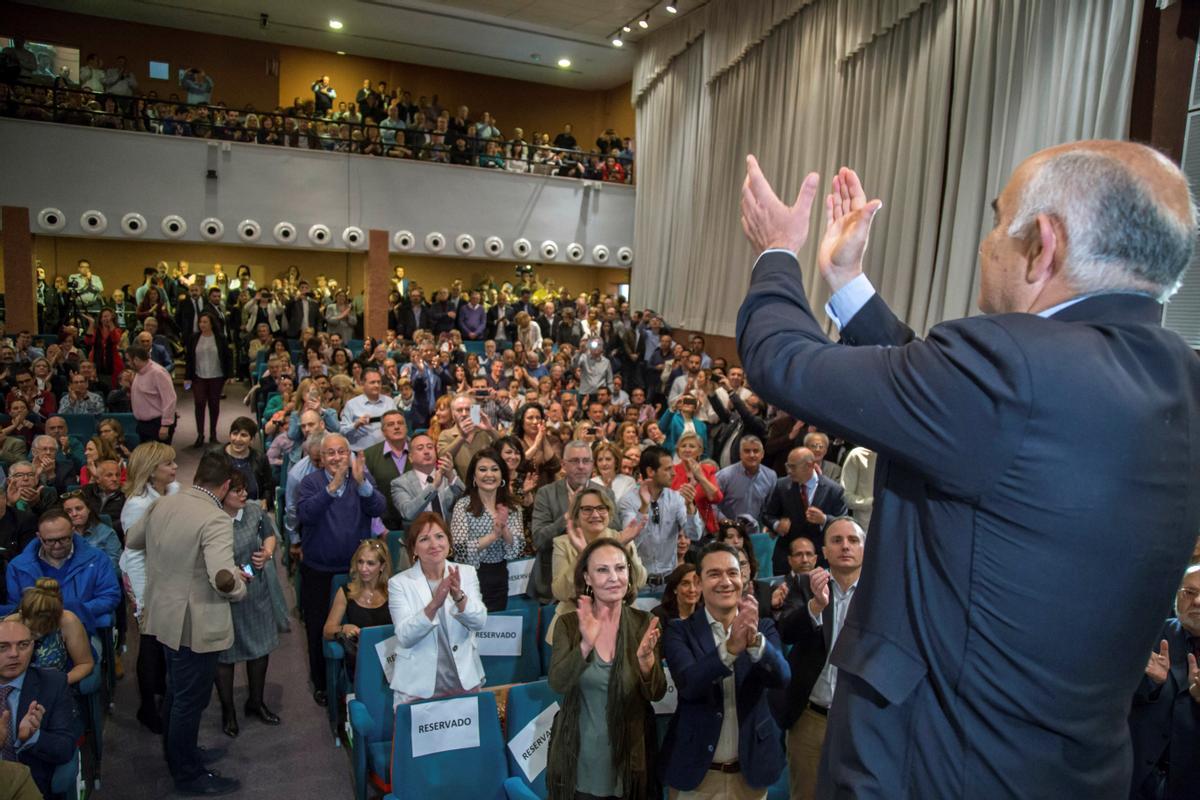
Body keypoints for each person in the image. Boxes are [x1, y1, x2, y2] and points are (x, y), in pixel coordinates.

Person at [736, 144, 1200, 797]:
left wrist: (776, 251)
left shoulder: (1011, 366)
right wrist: (848, 286)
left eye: (996, 221)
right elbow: (961, 416)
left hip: (930, 767)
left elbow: (779, 359)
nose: (986, 244)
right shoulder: (1179, 378)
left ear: (1043, 245)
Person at [125, 451, 247, 795]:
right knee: (189, 700)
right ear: (224, 486)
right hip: (194, 624)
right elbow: (221, 576)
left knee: (178, 694)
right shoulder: (216, 518)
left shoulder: (163, 504)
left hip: (162, 614)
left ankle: (182, 753)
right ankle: (187, 772)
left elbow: (133, 540)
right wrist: (239, 587)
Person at [660, 542, 790, 797]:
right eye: (714, 574)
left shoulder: (762, 626)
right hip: (697, 776)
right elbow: (689, 684)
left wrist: (754, 643)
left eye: (732, 573)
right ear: (698, 581)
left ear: (743, 577)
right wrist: (729, 649)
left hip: (750, 773)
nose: (725, 582)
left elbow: (782, 677)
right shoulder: (680, 631)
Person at [545, 537, 666, 800]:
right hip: (581, 760)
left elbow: (657, 693)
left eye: (620, 568)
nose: (614, 577)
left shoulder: (644, 622)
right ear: (587, 578)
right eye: (603, 570)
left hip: (631, 761)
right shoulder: (568, 625)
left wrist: (647, 664)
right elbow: (557, 683)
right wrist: (585, 646)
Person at [771, 518, 865, 800]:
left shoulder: (880, 594)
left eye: (853, 540)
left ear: (865, 549)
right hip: (812, 716)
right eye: (836, 541)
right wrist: (816, 605)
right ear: (824, 551)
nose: (845, 546)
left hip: (861, 719)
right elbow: (785, 631)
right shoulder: (803, 584)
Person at [295, 434, 385, 706]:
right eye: (330, 453)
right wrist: (331, 488)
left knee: (360, 629)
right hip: (319, 570)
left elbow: (379, 507)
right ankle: (322, 684)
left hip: (357, 572)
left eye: (341, 452)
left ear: (350, 455)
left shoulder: (361, 480)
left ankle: (361, 681)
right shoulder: (310, 483)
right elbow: (306, 515)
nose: (336, 458)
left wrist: (362, 485)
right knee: (319, 627)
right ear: (321, 459)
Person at [387, 512, 487, 707]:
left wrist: (458, 596)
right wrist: (434, 604)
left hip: (463, 678)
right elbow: (405, 636)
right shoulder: (399, 583)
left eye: (439, 536)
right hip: (417, 686)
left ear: (448, 542)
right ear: (414, 548)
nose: (434, 544)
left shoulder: (466, 573)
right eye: (424, 539)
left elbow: (479, 621)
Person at [214, 471, 283, 738]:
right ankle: (228, 709)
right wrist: (231, 572)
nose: (244, 495)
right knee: (225, 655)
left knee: (260, 649)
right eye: (237, 491)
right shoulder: (212, 519)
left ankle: (256, 702)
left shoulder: (253, 511)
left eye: (245, 490)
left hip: (255, 591)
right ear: (222, 492)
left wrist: (266, 552)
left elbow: (270, 536)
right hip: (225, 595)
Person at [118, 441, 179, 733]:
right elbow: (134, 555)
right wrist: (142, 601)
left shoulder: (175, 492)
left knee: (166, 639)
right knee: (151, 643)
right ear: (151, 470)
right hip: (145, 579)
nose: (175, 468)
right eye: (168, 464)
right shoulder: (137, 505)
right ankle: (148, 707)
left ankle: (165, 694)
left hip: (168, 576)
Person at [1127, 565, 1200, 799]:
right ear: (1175, 595)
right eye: (1189, 592)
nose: (1197, 601)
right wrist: (1152, 685)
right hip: (1135, 778)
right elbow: (1107, 700)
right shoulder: (1146, 634)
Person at [546, 487, 646, 643]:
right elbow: (560, 592)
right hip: (575, 627)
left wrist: (622, 547)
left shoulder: (622, 538)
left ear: (609, 512)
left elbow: (639, 581)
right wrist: (582, 555)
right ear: (576, 515)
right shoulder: (563, 543)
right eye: (587, 509)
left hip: (620, 625)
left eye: (601, 508)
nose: (595, 514)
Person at [1, 509, 120, 636]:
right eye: (50, 541)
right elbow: (15, 606)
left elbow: (110, 596)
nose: (57, 546)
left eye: (63, 539)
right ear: (39, 537)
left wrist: (74, 611)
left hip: (86, 628)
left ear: (73, 532)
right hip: (35, 632)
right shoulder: (18, 565)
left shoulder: (97, 558)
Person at [0, 618, 79, 798]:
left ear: (33, 646)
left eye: (23, 645)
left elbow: (65, 748)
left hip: (31, 787)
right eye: (2, 647)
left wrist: (33, 737)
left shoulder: (53, 684)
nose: (14, 654)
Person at [531, 440, 614, 602]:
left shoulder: (606, 494)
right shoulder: (546, 494)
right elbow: (539, 540)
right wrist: (568, 515)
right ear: (564, 464)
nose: (581, 466)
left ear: (592, 464)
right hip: (554, 587)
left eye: (586, 461)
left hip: (599, 586)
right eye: (575, 461)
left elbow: (614, 535)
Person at [617, 445, 703, 592]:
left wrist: (690, 507)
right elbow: (631, 541)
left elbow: (694, 534)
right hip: (639, 584)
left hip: (669, 584)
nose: (674, 473)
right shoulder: (628, 501)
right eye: (668, 469)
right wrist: (644, 508)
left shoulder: (676, 499)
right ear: (651, 471)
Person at [448, 450, 526, 611]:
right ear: (474, 477)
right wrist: (493, 536)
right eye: (482, 469)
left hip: (499, 577)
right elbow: (460, 549)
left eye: (495, 469)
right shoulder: (463, 505)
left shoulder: (512, 507)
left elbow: (518, 548)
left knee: (496, 629)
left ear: (502, 476)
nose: (489, 474)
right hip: (470, 577)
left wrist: (504, 530)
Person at [761, 447, 848, 575]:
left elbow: (844, 523)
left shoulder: (833, 490)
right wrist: (776, 525)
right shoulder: (781, 486)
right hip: (786, 555)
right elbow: (767, 514)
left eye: (793, 467)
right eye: (787, 466)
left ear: (810, 465)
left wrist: (824, 519)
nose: (789, 471)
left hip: (820, 558)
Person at [322, 539, 392, 678]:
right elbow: (327, 630)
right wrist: (344, 628)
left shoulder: (393, 591)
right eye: (360, 562)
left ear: (382, 566)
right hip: (361, 659)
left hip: (390, 656)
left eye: (370, 563)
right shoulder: (346, 592)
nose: (363, 568)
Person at [6, 578, 93, 687]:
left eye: (43, 630)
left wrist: (58, 684)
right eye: (32, 631)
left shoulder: (68, 621)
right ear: (22, 615)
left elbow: (85, 664)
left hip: (55, 688)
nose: (36, 635)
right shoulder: (8, 626)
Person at [389, 432, 464, 530]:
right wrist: (433, 487)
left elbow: (468, 501)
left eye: (430, 447)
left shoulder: (449, 474)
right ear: (411, 457)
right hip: (419, 539)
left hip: (451, 536)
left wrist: (451, 477)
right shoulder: (400, 484)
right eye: (420, 448)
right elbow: (408, 513)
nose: (426, 452)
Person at [186, 311, 230, 448]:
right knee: (199, 403)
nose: (202, 324)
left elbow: (227, 356)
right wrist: (188, 377)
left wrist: (230, 374)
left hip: (216, 376)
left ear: (211, 323)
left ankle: (213, 434)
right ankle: (200, 434)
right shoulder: (194, 338)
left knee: (214, 404)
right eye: (200, 322)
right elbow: (189, 358)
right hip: (199, 376)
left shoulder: (220, 338)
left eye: (205, 322)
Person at [362, 410, 410, 533]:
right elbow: (367, 495)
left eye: (400, 423)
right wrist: (379, 528)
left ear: (406, 427)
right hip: (385, 527)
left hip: (418, 523)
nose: (396, 427)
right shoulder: (369, 455)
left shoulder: (419, 449)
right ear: (383, 431)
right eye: (390, 424)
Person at [715, 436, 776, 524]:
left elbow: (771, 509)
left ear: (762, 454)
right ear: (740, 454)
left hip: (757, 532)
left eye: (756, 451)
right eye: (747, 451)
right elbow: (711, 504)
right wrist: (724, 521)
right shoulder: (724, 476)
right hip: (728, 531)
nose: (752, 455)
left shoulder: (771, 476)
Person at [671, 432, 723, 534]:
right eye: (683, 446)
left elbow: (716, 498)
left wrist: (701, 477)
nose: (687, 449)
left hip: (704, 528)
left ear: (700, 451)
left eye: (692, 446)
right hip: (677, 528)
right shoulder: (671, 472)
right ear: (678, 450)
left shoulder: (707, 470)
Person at [127, 344, 177, 444]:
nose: (128, 363)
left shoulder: (158, 372)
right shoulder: (139, 372)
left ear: (136, 359)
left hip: (157, 424)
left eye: (128, 360)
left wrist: (165, 425)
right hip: (143, 424)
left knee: (159, 457)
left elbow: (170, 399)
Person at [340, 368, 396, 453]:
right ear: (362, 384)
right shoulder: (351, 405)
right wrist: (355, 425)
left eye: (379, 382)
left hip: (386, 452)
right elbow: (342, 431)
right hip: (361, 454)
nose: (377, 385)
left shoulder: (390, 402)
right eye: (372, 382)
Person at [838, 446, 876, 531]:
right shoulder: (857, 455)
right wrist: (872, 503)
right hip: (865, 528)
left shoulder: (898, 457)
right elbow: (845, 496)